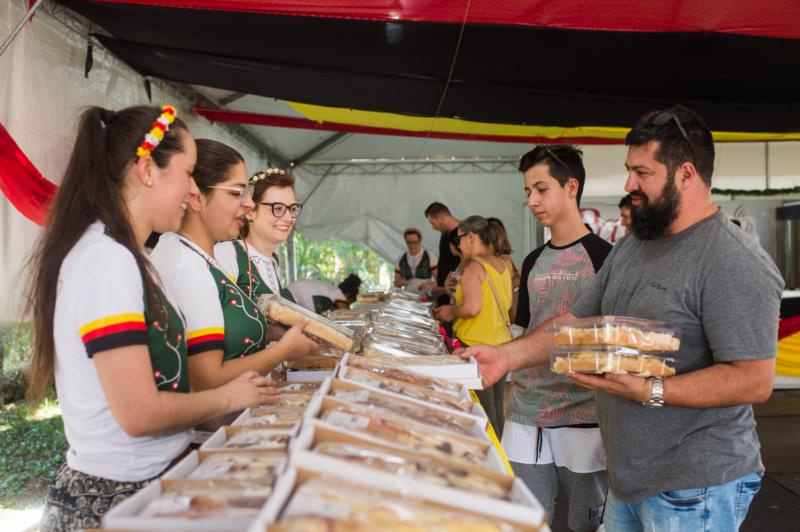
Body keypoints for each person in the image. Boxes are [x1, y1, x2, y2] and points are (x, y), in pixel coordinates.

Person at [462, 105, 782, 531]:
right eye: (629, 170)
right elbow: (571, 324)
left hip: (695, 487)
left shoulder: (731, 258)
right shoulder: (635, 246)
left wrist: (649, 390)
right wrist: (506, 357)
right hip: (629, 479)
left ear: (686, 175)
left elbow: (753, 379)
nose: (629, 184)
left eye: (642, 173)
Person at [27, 106, 277, 531]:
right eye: (188, 172)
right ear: (146, 170)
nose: (192, 191)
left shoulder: (130, 256)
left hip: (143, 483)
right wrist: (230, 397)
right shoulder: (106, 260)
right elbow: (139, 412)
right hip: (112, 498)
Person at [151, 139, 318, 392]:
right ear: (197, 197)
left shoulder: (197, 256)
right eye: (236, 192)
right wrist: (284, 350)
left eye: (292, 208)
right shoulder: (187, 265)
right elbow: (206, 379)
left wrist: (271, 334)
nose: (248, 205)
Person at [506, 145, 612, 531]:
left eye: (541, 188)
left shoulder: (604, 257)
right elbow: (522, 330)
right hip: (525, 412)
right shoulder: (533, 260)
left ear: (571, 187)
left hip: (583, 413)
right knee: (525, 521)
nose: (532, 200)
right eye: (527, 192)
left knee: (587, 524)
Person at [434, 215, 512, 437]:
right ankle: (502, 457)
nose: (458, 245)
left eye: (459, 239)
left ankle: (494, 463)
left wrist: (450, 311)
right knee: (497, 410)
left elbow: (472, 308)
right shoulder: (502, 264)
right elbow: (504, 305)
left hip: (476, 347)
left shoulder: (473, 268)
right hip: (499, 346)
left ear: (470, 236)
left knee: (483, 413)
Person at [216, 168, 299, 304]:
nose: (289, 218)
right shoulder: (227, 253)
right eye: (278, 208)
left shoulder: (272, 262)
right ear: (249, 212)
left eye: (293, 209)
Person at [424, 202, 461, 306]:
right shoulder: (445, 233)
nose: (433, 228)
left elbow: (462, 265)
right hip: (444, 293)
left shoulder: (460, 234)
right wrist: (438, 285)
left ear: (441, 218)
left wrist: (446, 288)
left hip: (454, 297)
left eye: (433, 223)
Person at [289, 273, 363, 313]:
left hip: (291, 292)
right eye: (348, 303)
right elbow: (345, 314)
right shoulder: (338, 293)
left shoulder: (331, 290)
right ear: (347, 295)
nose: (348, 306)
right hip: (294, 297)